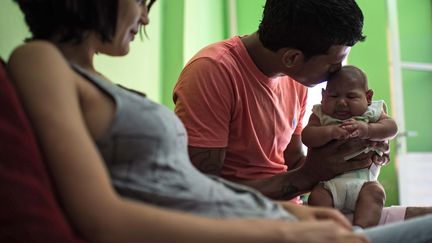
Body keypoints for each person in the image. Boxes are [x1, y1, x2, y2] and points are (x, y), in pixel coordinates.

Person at [7, 0, 432, 242]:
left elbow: (191, 184)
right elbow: (103, 217)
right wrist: (282, 231)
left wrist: (326, 179)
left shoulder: (97, 82)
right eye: (140, 0)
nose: (147, 16)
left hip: (279, 219)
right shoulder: (40, 60)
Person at [173, 0, 431, 223]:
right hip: (245, 223)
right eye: (333, 65)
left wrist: (356, 156)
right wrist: (308, 176)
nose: (337, 75)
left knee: (425, 222)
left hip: (295, 215)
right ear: (292, 58)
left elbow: (296, 161)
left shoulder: (293, 78)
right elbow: (201, 195)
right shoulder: (213, 73)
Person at [302, 66, 398, 228]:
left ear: (368, 97)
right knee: (317, 197)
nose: (341, 102)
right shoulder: (320, 115)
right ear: (323, 95)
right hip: (329, 185)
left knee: (376, 192)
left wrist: (368, 130)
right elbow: (307, 136)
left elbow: (391, 128)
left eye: (351, 96)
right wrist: (329, 132)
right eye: (333, 96)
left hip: (363, 183)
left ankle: (361, 231)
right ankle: (330, 232)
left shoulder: (372, 112)